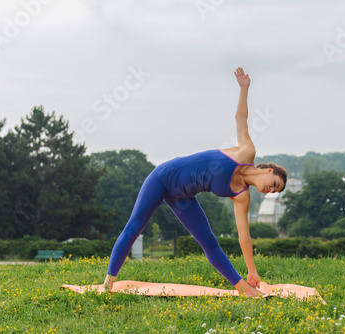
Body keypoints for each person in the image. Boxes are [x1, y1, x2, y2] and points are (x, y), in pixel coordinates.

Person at [99, 67, 287, 297]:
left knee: (209, 242)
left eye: (274, 192)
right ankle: (106, 285)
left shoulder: (242, 196)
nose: (271, 191)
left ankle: (243, 289)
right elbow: (241, 118)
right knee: (134, 227)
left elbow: (243, 236)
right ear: (269, 170)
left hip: (182, 198)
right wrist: (244, 88)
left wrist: (252, 271)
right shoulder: (246, 151)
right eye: (274, 184)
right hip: (162, 177)